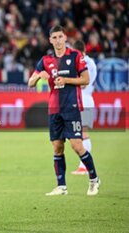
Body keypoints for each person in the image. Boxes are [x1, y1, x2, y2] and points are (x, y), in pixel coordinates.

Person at [28, 25, 101, 196]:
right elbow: (30, 83)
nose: (58, 40)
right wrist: (39, 76)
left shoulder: (75, 56)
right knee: (57, 147)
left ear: (65, 38)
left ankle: (94, 179)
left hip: (72, 107)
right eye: (55, 37)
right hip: (54, 109)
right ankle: (61, 186)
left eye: (61, 37)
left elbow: (85, 80)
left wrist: (66, 80)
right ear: (50, 40)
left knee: (77, 145)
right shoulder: (45, 60)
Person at [71, 40, 97, 175]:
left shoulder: (84, 62)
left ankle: (84, 166)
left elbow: (83, 84)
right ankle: (83, 166)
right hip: (84, 100)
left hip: (84, 100)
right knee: (80, 133)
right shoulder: (91, 62)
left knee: (83, 133)